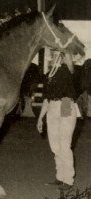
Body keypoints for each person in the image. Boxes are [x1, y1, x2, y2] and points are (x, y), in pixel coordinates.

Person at [37, 52, 81, 191]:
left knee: (64, 144)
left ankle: (68, 180)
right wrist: (40, 118)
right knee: (55, 146)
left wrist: (63, 49)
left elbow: (69, 59)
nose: (53, 56)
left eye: (57, 54)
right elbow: (45, 99)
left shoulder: (68, 69)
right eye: (53, 54)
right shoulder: (49, 75)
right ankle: (60, 177)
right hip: (52, 106)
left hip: (66, 103)